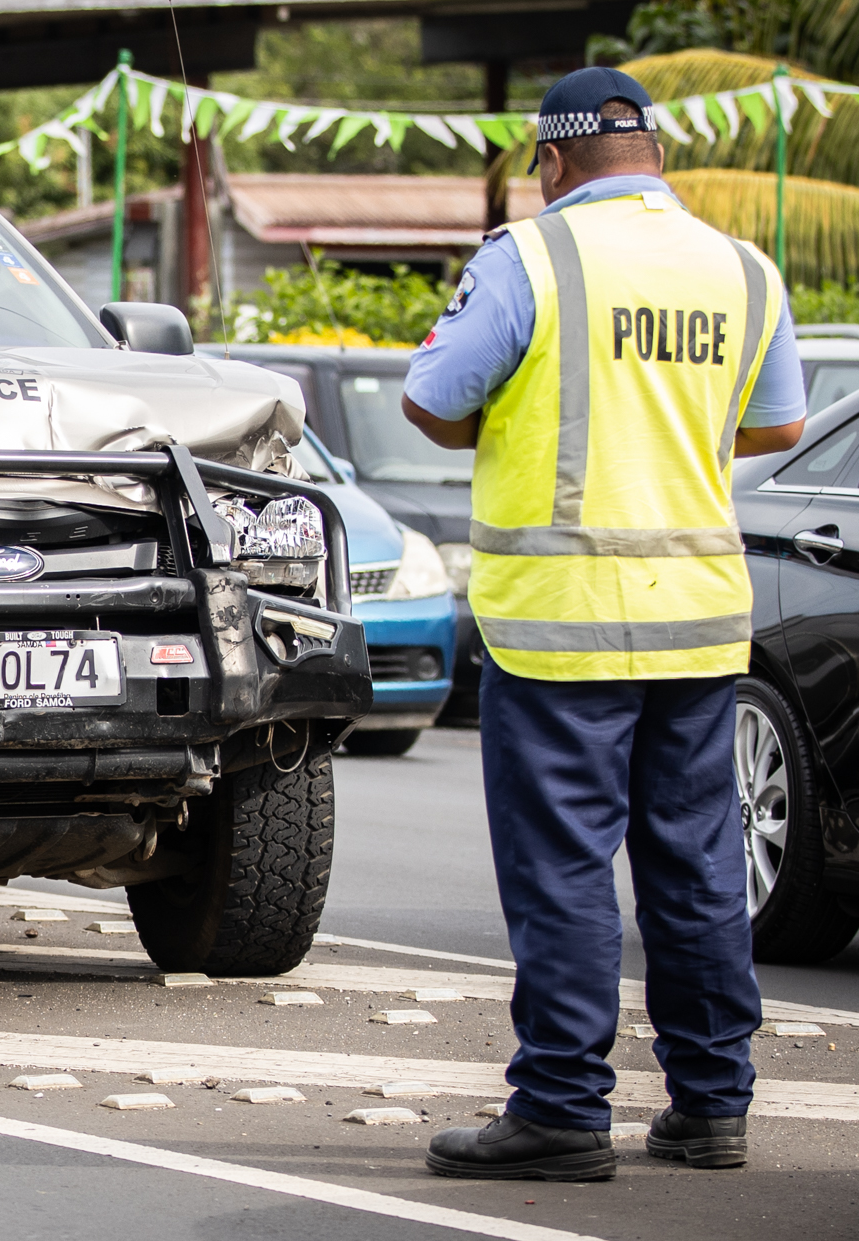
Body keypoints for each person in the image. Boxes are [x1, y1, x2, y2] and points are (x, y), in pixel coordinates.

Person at [403, 66, 806, 1181]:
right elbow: (775, 423)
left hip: (560, 621)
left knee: (566, 871)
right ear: (657, 154)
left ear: (549, 161)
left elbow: (432, 402)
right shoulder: (741, 267)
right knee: (696, 863)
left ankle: (561, 1110)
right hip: (699, 620)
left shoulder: (527, 256)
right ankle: (710, 1104)